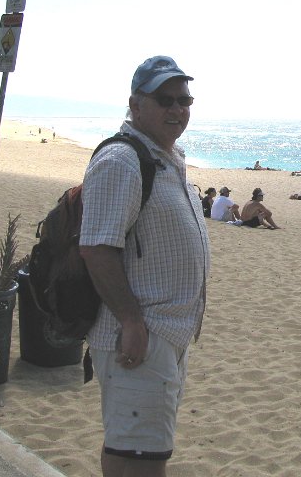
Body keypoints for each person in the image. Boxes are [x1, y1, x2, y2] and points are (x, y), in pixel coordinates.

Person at [79, 55, 210, 477]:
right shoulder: (121, 160)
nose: (177, 110)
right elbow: (98, 248)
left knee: (136, 448)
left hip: (167, 333)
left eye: (184, 100)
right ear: (136, 105)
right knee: (139, 459)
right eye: (165, 100)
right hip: (139, 335)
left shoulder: (166, 157)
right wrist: (132, 321)